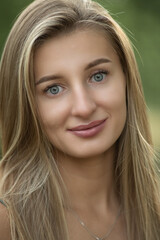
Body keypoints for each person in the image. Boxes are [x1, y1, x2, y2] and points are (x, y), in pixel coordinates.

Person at [0, 0, 159, 239]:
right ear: (26, 105)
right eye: (53, 89)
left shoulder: (155, 210)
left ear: (127, 79)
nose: (84, 107)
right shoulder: (6, 220)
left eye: (98, 76)